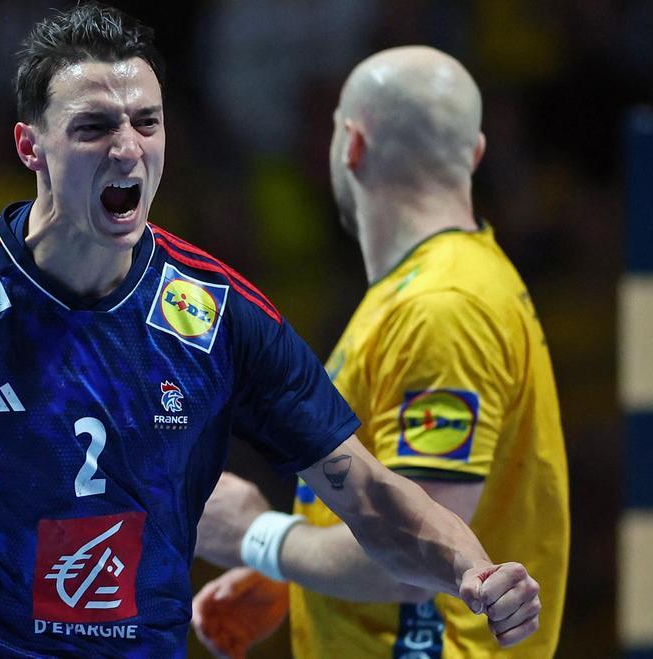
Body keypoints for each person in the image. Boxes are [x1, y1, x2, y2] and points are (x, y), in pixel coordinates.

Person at [0, 6, 542, 657]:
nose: (127, 147)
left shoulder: (220, 316)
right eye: (93, 127)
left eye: (146, 122)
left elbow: (367, 491)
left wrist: (473, 569)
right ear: (33, 147)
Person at [192, 46, 569, 658]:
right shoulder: (433, 289)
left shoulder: (442, 307)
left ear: (351, 145)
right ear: (474, 154)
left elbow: (410, 559)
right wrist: (294, 575)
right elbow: (400, 515)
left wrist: (256, 536)